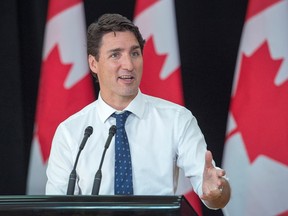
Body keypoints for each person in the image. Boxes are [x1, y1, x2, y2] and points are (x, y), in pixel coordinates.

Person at [46, 13, 231, 209]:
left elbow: (215, 196)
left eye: (134, 53)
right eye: (115, 54)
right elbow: (56, 207)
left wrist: (217, 190)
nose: (129, 65)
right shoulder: (71, 131)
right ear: (93, 63)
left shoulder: (176, 119)